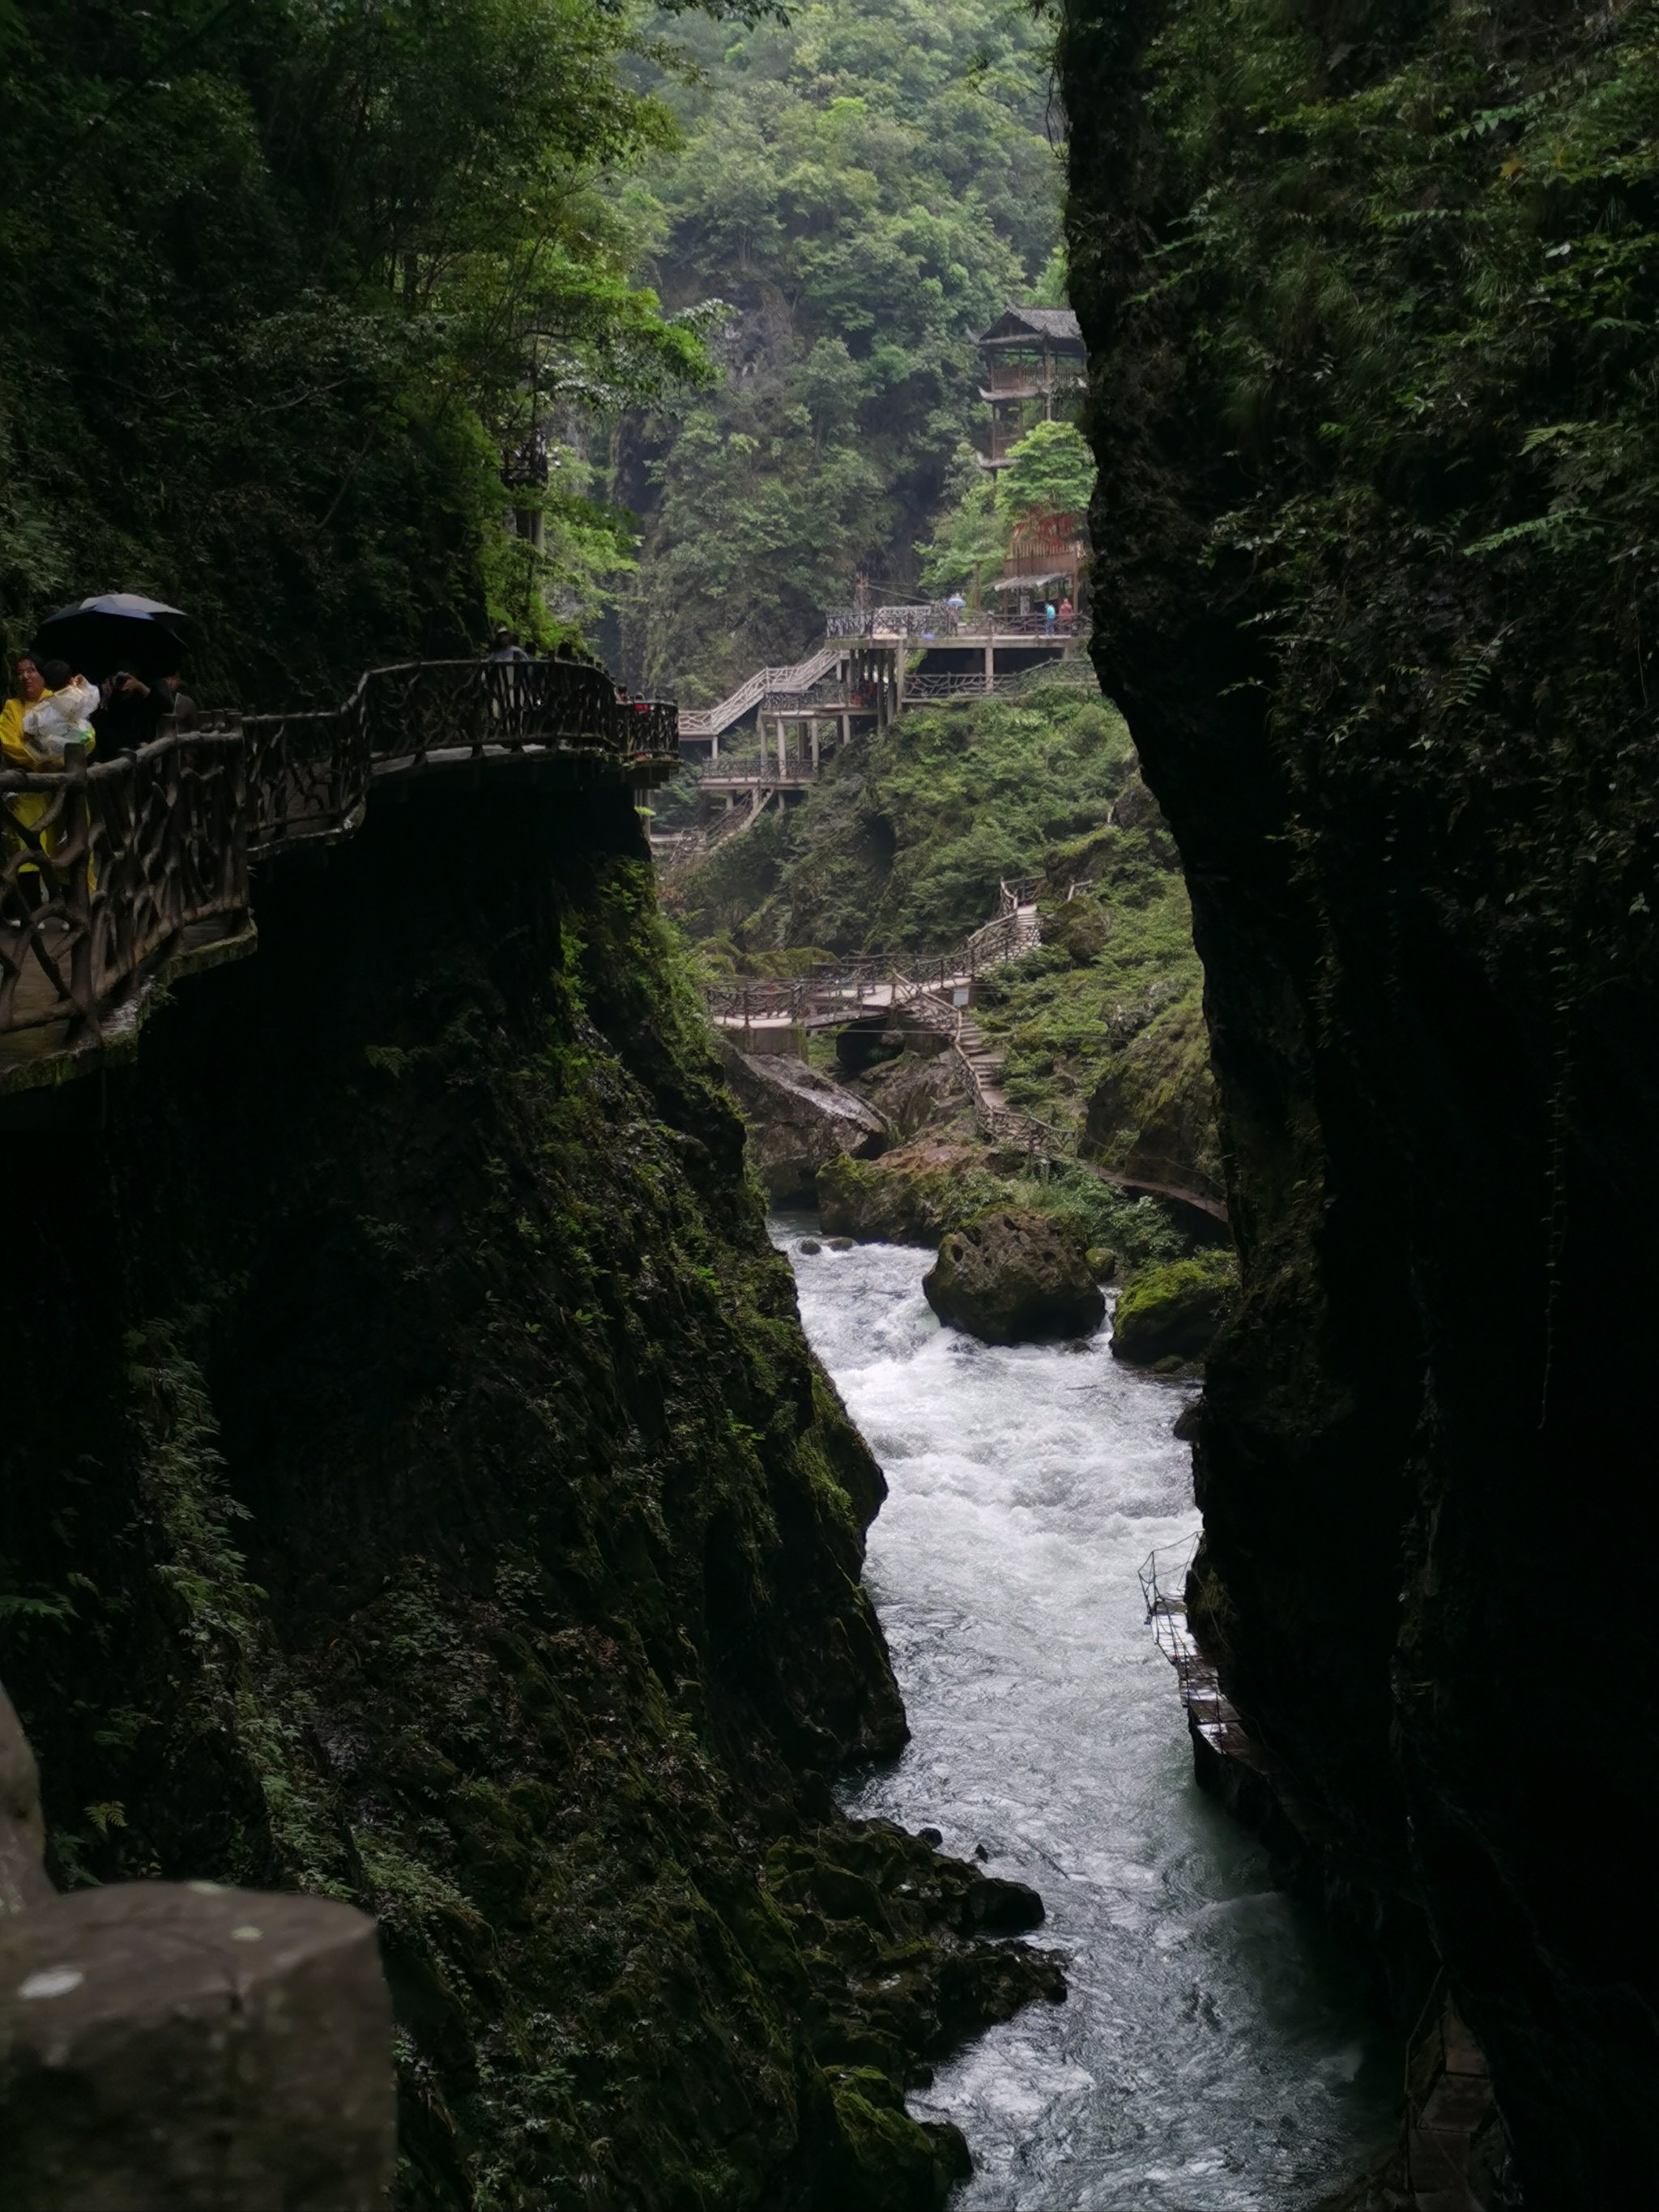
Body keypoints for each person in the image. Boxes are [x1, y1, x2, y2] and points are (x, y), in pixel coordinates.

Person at [97, 667, 175, 753]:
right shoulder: (111, 696)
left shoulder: (145, 692)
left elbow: (167, 708)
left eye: (128, 673)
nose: (124, 679)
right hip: (115, 750)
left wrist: (140, 687)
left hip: (143, 749)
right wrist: (108, 691)